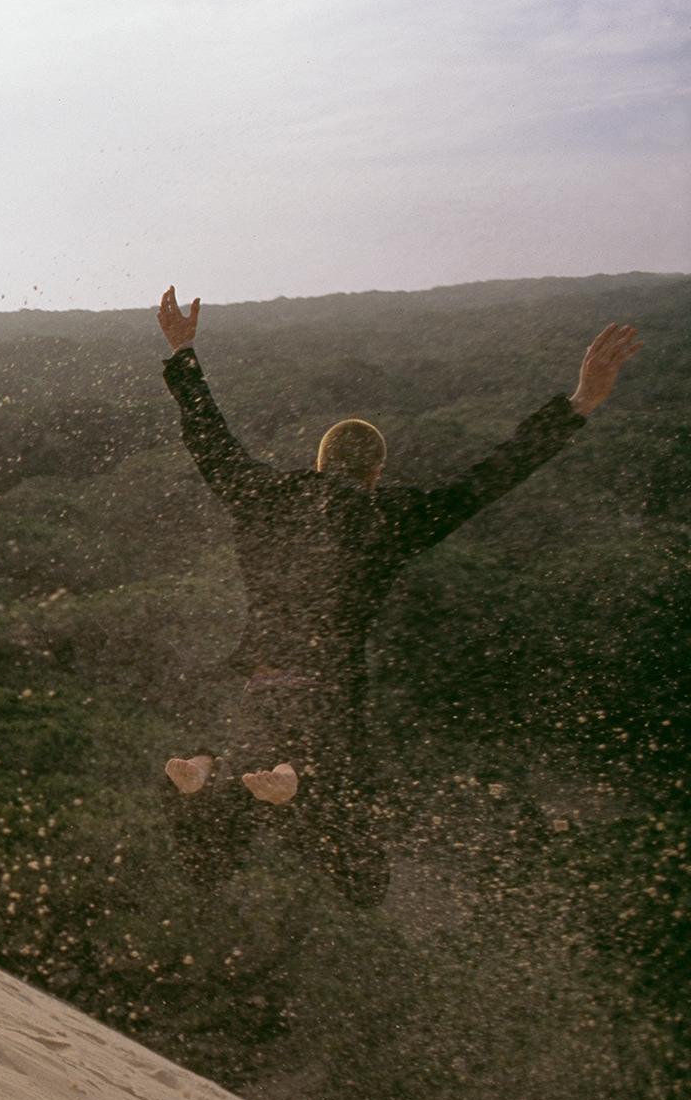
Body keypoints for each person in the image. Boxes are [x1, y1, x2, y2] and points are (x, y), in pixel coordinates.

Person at [154, 286, 641, 906]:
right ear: (375, 474)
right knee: (361, 877)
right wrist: (578, 404)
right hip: (327, 696)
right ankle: (294, 780)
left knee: (209, 860)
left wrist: (184, 354)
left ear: (320, 461)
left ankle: (206, 771)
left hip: (260, 688)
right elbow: (488, 476)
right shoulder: (392, 517)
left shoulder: (266, 497)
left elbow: (211, 441)